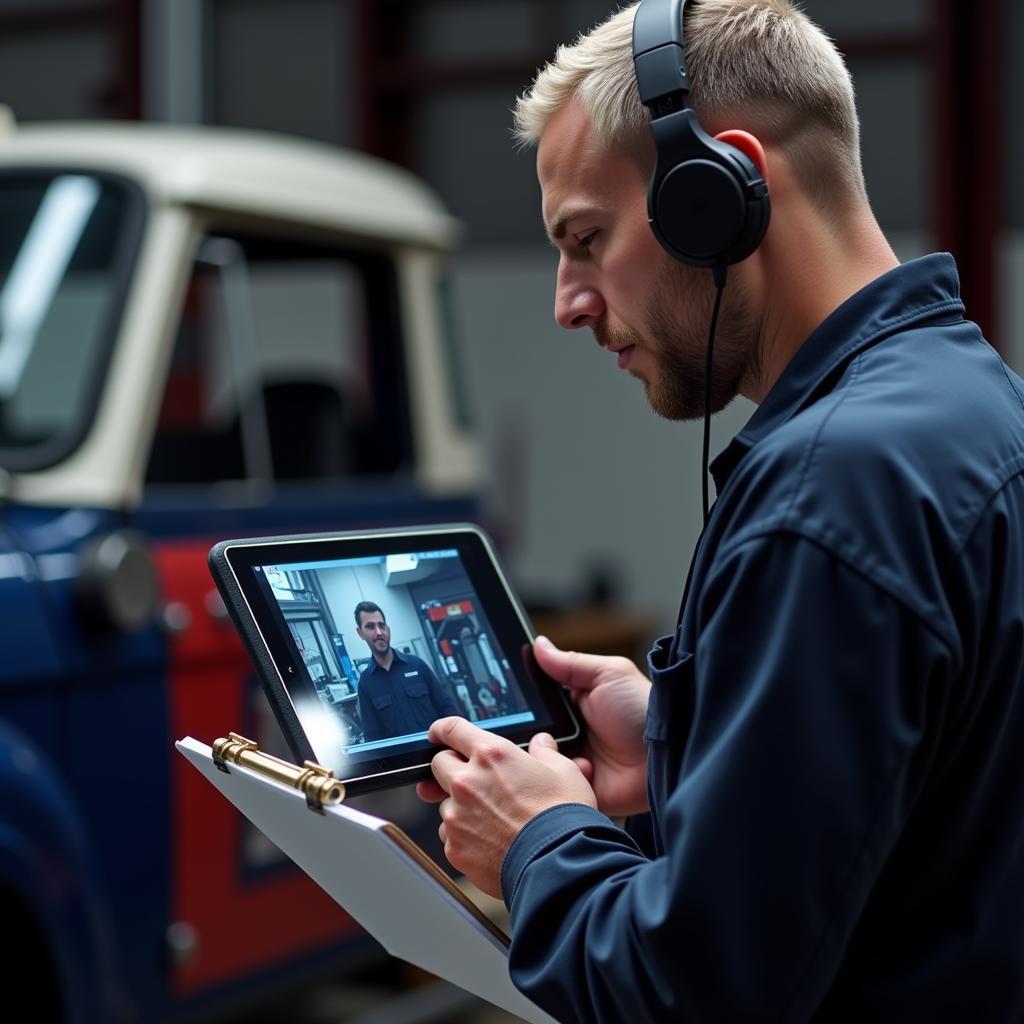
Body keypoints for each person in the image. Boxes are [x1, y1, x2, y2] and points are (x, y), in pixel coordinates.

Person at [415, 1, 1024, 1021]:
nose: (567, 300)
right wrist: (679, 742)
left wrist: (539, 839)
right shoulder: (977, 406)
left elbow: (693, 992)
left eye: (586, 238)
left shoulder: (828, 491)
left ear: (718, 193)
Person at [353, 601, 457, 742]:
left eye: (381, 625)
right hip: (405, 762)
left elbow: (447, 708)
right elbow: (373, 737)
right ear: (360, 633)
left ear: (387, 628)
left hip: (438, 752)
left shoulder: (417, 665)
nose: (378, 632)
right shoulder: (366, 683)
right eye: (370, 627)